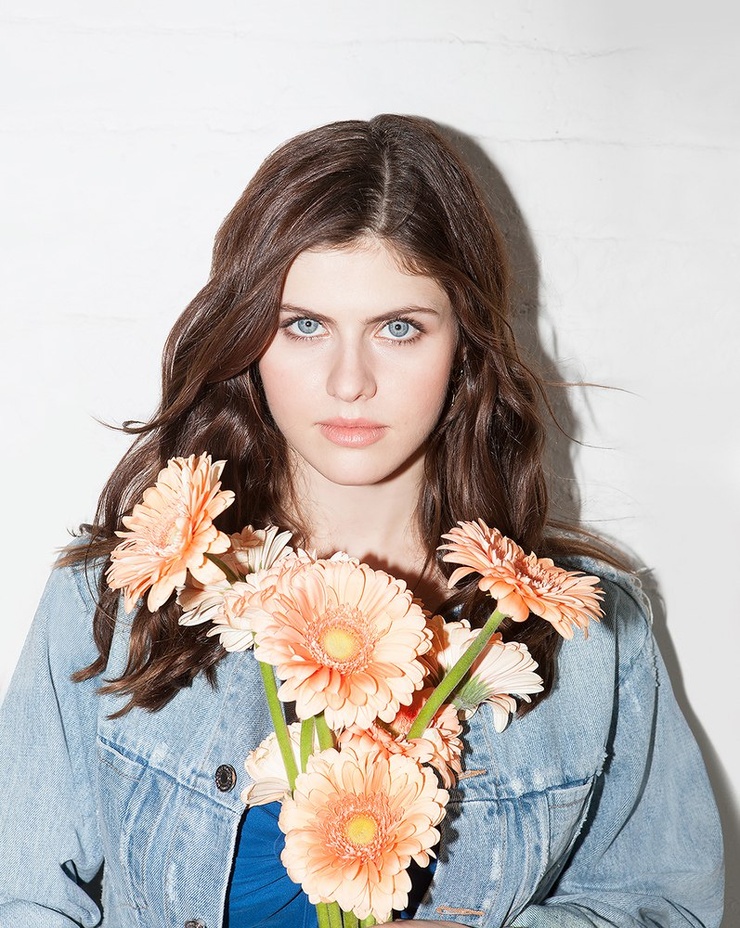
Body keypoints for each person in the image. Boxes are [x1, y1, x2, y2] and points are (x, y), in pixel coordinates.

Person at [0, 115, 724, 928]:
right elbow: (20, 900)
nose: (351, 381)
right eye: (304, 325)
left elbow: (666, 906)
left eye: (399, 328)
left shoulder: (593, 635)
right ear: (249, 341)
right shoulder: (112, 602)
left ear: (465, 346)